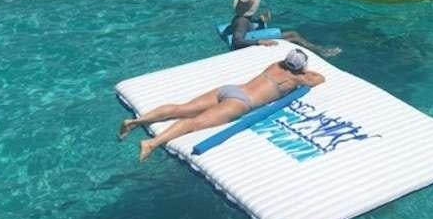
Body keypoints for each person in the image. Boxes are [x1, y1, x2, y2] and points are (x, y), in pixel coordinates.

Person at [119, 49, 326, 161]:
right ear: (301, 67)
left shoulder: (274, 65)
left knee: (181, 108)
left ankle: (135, 121)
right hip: (240, 103)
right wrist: (302, 72)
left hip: (230, 89)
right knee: (194, 123)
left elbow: (289, 65)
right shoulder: (296, 79)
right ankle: (151, 144)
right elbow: (320, 79)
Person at [223, 0, 341, 57]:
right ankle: (320, 51)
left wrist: (260, 21)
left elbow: (249, 29)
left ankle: (315, 49)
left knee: (293, 33)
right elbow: (237, 41)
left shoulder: (243, 18)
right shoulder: (242, 22)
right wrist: (261, 41)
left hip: (251, 38)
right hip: (250, 47)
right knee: (294, 37)